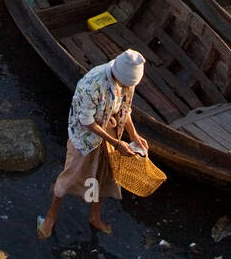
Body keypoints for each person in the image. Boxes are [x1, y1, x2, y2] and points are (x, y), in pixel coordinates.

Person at [38, 49, 148, 239]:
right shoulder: (92, 85)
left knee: (102, 175)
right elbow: (87, 122)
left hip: (109, 130)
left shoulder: (127, 81)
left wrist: (135, 137)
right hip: (85, 138)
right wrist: (116, 143)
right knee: (70, 176)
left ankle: (94, 216)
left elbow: (125, 109)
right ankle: (50, 216)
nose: (127, 87)